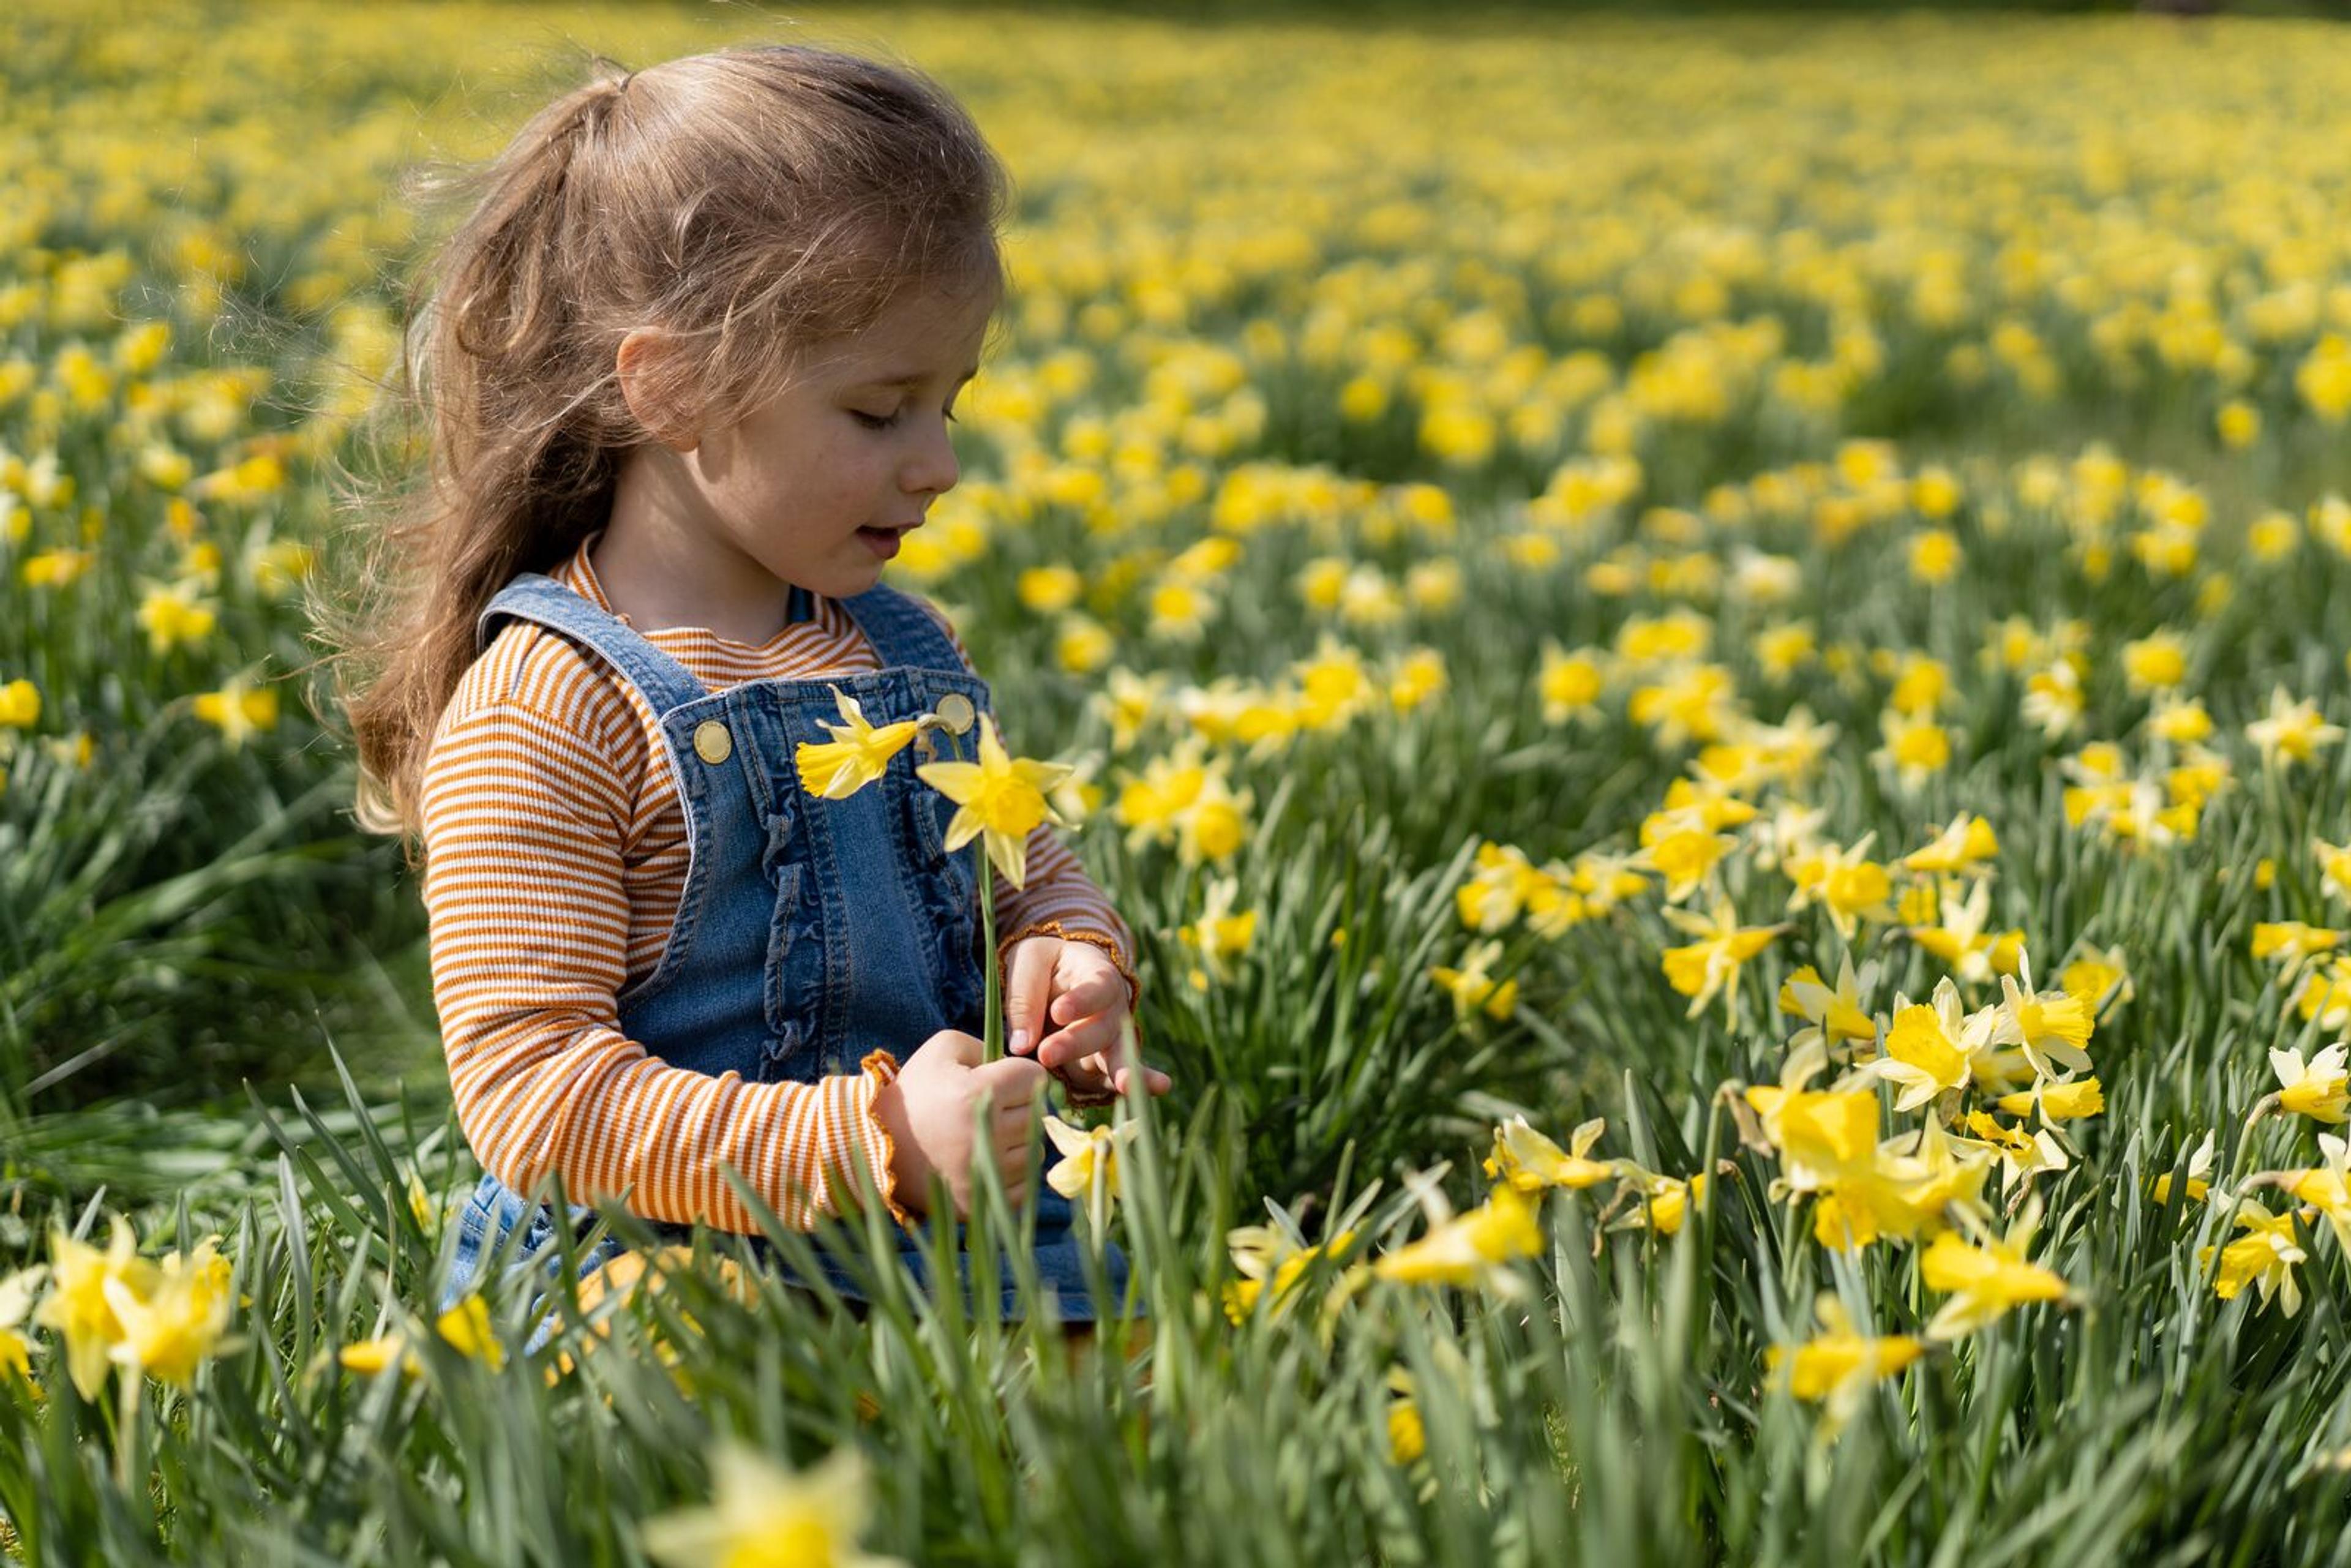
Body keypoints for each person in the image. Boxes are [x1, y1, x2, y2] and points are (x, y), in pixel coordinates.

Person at [312, 43, 1171, 1355]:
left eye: (952, 402)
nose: (939, 463)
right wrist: (869, 1141)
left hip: (949, 1231)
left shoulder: (901, 650)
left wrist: (1068, 957)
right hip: (665, 1266)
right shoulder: (548, 708)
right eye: (882, 410)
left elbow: (1019, 876)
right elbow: (536, 1101)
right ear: (673, 387)